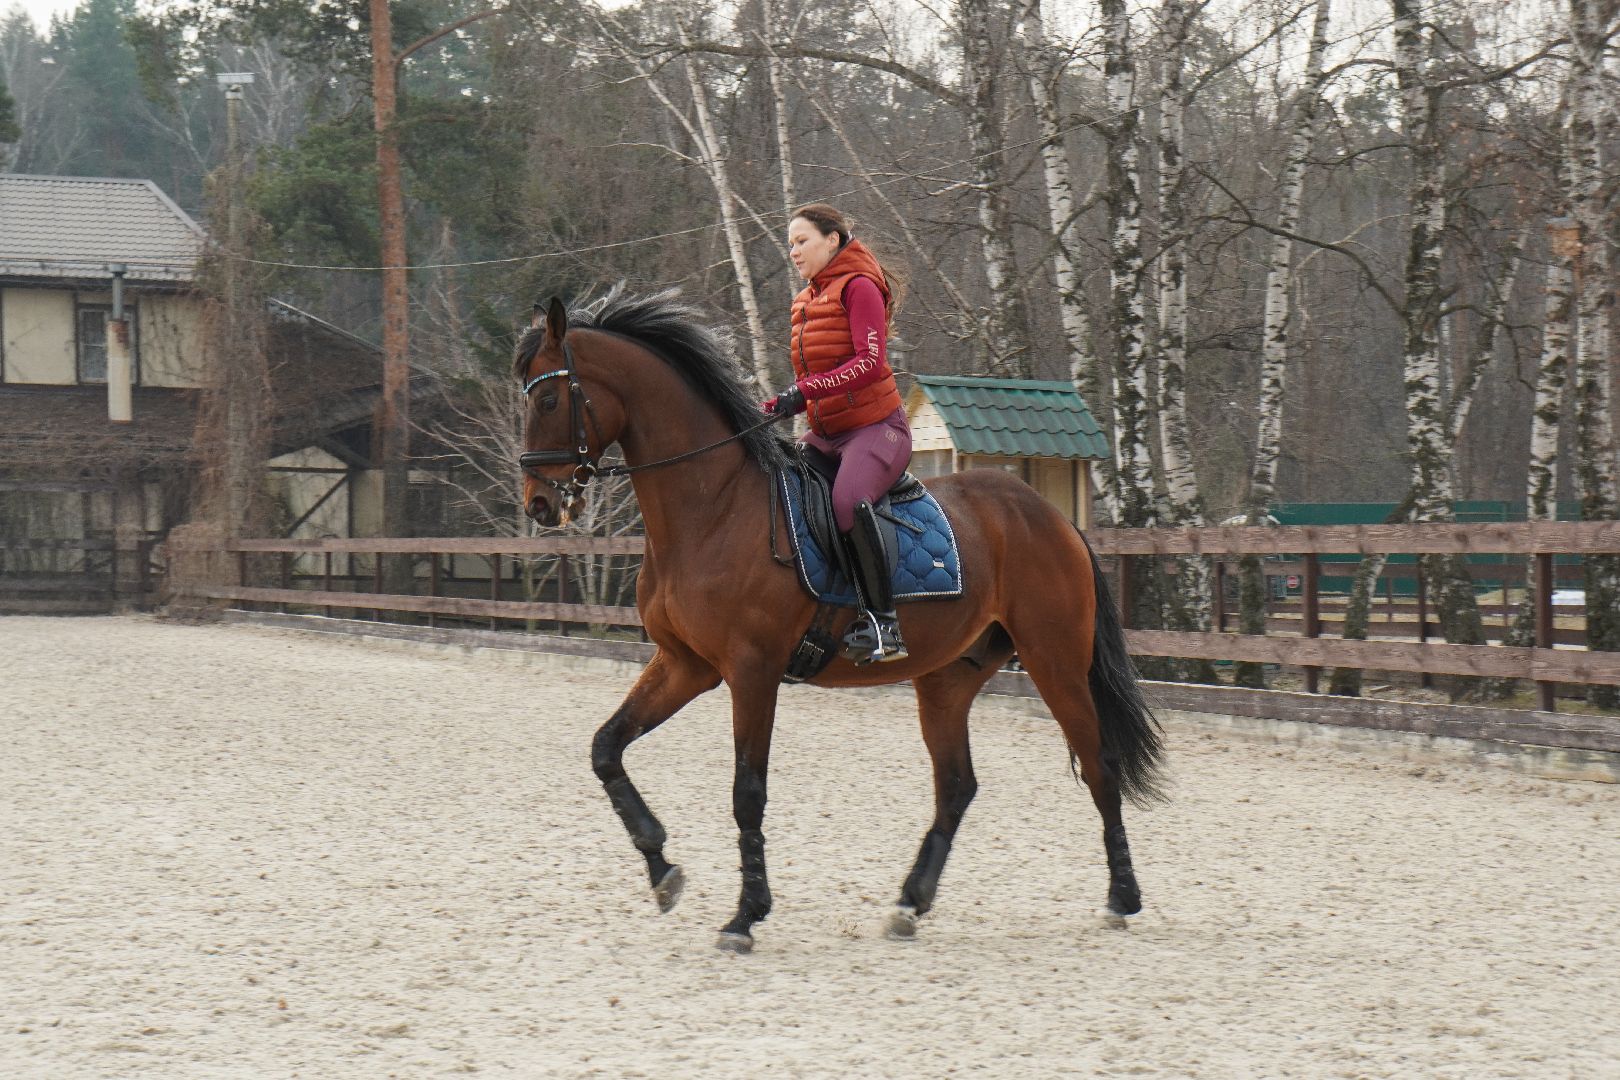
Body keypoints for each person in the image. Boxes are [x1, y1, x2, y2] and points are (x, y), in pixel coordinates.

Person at [762, 203, 912, 664]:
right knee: (780, 485)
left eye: (801, 240)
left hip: (877, 429)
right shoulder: (806, 300)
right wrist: (773, 405)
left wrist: (801, 392)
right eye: (789, 244)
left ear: (833, 238)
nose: (793, 251)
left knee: (848, 501)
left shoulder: (860, 287)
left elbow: (869, 364)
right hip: (827, 435)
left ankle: (885, 625)